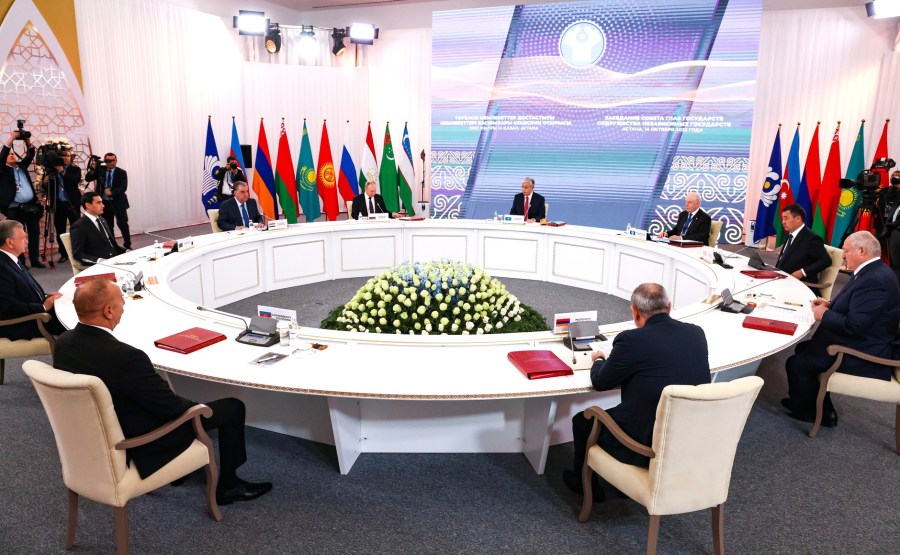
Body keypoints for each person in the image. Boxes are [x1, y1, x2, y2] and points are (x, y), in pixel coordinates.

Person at [53, 278, 273, 505]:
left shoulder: (64, 343)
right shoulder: (127, 357)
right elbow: (171, 409)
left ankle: (185, 470)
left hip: (96, 435)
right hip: (141, 442)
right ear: (108, 311)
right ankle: (228, 485)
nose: (124, 306)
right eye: (121, 301)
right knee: (232, 408)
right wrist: (198, 407)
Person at [563, 283, 710, 501]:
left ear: (635, 312)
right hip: (688, 434)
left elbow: (601, 382)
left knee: (583, 420)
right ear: (669, 306)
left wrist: (599, 359)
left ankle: (586, 487)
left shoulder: (631, 340)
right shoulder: (696, 333)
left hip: (647, 440)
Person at [782, 231, 900, 427]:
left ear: (862, 251)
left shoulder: (875, 281)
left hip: (866, 351)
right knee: (803, 348)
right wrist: (829, 305)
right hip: (866, 339)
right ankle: (821, 408)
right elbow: (860, 309)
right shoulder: (872, 271)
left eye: (846, 251)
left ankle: (809, 412)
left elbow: (854, 326)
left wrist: (824, 315)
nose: (842, 256)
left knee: (796, 363)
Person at [0, 220, 65, 340]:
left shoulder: (10, 258)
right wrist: (43, 307)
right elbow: (7, 305)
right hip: (22, 323)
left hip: (33, 312)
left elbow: (22, 291)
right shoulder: (2, 266)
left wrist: (45, 297)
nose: (27, 241)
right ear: (10, 242)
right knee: (78, 326)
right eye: (23, 238)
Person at [0, 130, 45, 268]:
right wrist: (12, 138)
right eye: (9, 154)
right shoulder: (2, 169)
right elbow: (3, 154)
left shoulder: (21, 166)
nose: (12, 155)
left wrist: (27, 142)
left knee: (34, 233)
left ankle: (35, 260)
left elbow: (30, 154)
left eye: (13, 153)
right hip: (15, 208)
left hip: (31, 207)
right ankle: (21, 262)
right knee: (17, 236)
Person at [774, 203, 832, 288]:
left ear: (798, 219)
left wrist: (802, 272)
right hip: (782, 279)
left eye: (786, 218)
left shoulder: (812, 238)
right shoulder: (791, 234)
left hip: (800, 284)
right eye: (782, 218)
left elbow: (826, 261)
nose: (783, 222)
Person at [43, 148, 82, 264]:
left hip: (72, 203)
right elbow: (48, 188)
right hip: (58, 204)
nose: (66, 158)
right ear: (59, 158)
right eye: (63, 156)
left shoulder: (75, 169)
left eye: (68, 156)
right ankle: (64, 253)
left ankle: (78, 252)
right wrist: (44, 182)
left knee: (76, 229)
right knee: (60, 230)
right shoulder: (52, 170)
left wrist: (62, 171)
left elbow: (74, 180)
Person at [85, 152, 130, 250]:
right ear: (105, 161)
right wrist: (92, 170)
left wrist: (112, 192)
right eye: (108, 161)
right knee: (108, 225)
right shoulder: (100, 170)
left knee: (123, 224)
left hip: (118, 202)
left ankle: (127, 244)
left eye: (112, 160)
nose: (110, 163)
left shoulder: (122, 172)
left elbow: (123, 187)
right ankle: (113, 246)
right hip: (104, 203)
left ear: (116, 161)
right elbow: (88, 178)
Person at [70, 191, 126, 266]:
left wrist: (127, 252)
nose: (103, 205)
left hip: (115, 260)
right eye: (98, 203)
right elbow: (78, 254)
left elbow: (113, 246)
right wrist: (99, 260)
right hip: (101, 265)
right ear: (88, 205)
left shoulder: (103, 220)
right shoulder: (79, 226)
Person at [881, 170, 900, 283]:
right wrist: (894, 186)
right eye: (894, 177)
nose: (895, 179)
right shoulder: (894, 191)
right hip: (894, 230)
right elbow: (888, 198)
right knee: (894, 261)